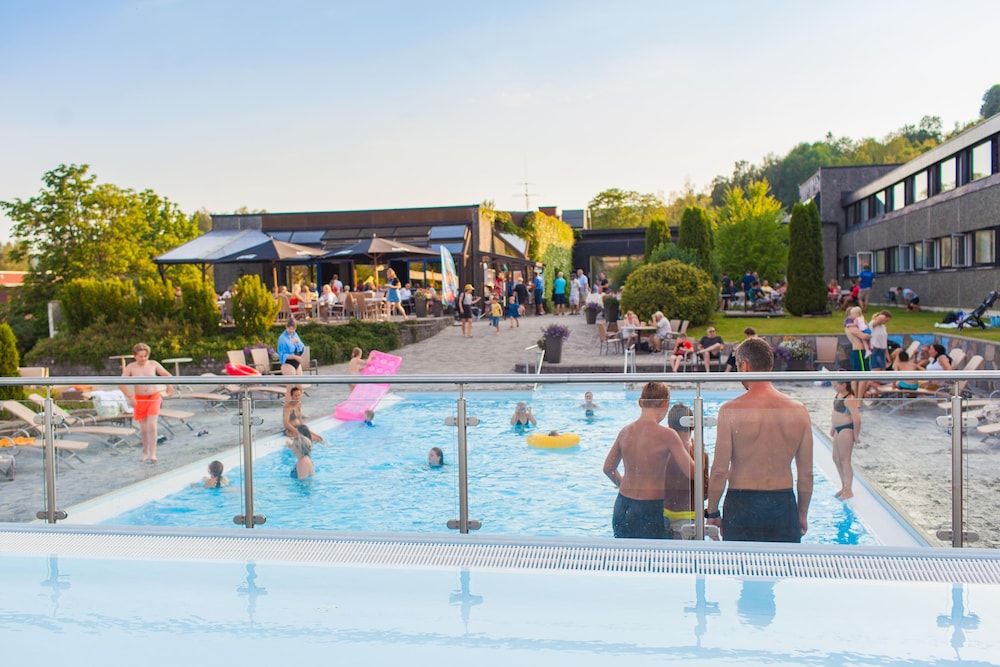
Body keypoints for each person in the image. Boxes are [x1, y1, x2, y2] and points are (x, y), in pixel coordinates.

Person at [706, 338, 814, 543]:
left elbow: (719, 470)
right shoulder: (799, 410)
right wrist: (801, 514)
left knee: (742, 562)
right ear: (769, 366)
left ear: (745, 366)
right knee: (781, 563)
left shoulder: (730, 411)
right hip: (783, 503)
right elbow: (806, 473)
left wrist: (712, 512)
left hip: (741, 503)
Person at [602, 382, 694, 539]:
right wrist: (688, 444)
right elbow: (692, 472)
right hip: (649, 508)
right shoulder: (668, 435)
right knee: (652, 553)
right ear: (665, 404)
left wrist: (623, 484)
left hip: (622, 505)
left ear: (640, 402)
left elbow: (608, 468)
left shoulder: (625, 431)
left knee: (624, 553)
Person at [663, 404, 717, 540]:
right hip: (689, 517)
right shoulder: (700, 456)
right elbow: (705, 494)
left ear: (669, 427)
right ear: (693, 427)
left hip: (664, 514)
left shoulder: (663, 452)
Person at [119, 342, 174, 464]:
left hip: (154, 396)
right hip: (140, 398)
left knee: (152, 425)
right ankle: (146, 452)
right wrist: (130, 397)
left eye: (145, 356)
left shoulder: (153, 364)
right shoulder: (131, 367)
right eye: (141, 356)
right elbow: (120, 383)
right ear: (135, 356)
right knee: (143, 429)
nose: (143, 358)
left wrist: (169, 386)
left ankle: (153, 453)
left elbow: (167, 375)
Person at [829, 380, 861, 500]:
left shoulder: (850, 398)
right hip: (838, 429)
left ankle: (849, 490)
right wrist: (833, 428)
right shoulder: (838, 395)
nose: (833, 387)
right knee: (836, 458)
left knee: (845, 460)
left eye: (835, 385)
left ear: (843, 385)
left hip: (846, 429)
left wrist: (856, 435)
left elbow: (857, 419)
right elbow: (835, 413)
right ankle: (844, 487)